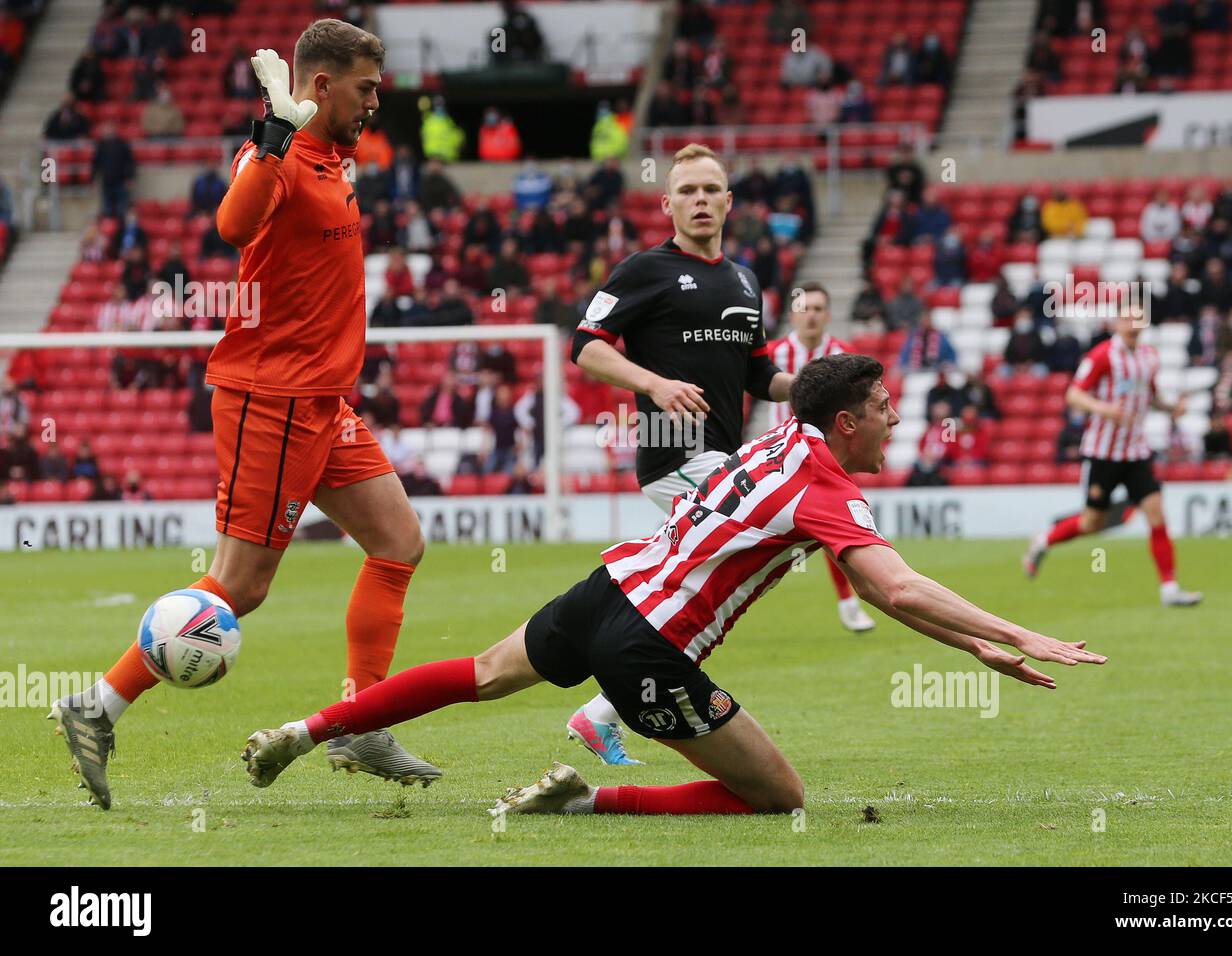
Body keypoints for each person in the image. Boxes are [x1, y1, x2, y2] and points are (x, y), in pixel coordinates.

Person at [242, 354, 1108, 815]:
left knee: (478, 674)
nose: (895, 419)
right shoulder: (827, 488)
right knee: (778, 798)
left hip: (608, 586)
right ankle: (585, 803)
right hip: (649, 645)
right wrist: (1019, 634)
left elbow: (889, 597)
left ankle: (306, 728)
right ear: (847, 422)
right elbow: (901, 588)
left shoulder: (778, 443)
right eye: (885, 407)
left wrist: (977, 649)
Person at [50, 20, 441, 813]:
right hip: (273, 398)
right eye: (365, 87)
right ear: (320, 85)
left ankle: (360, 722)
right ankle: (97, 704)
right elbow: (232, 226)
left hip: (321, 400)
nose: (375, 101)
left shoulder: (334, 153)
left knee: (399, 541)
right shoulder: (282, 153)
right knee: (239, 588)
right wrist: (271, 135)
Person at [564, 143, 796, 765]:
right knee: (755, 556)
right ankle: (603, 699)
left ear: (729, 202)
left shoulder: (745, 280)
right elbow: (585, 347)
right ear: (667, 204)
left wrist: (812, 388)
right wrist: (652, 383)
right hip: (674, 454)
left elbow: (760, 375)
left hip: (720, 454)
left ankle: (602, 704)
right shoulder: (644, 269)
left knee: (705, 592)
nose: (700, 201)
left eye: (710, 190)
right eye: (687, 191)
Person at [1022, 308, 1203, 607]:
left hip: (1136, 452)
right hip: (1104, 453)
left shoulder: (1149, 358)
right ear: (1118, 322)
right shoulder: (1102, 356)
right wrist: (1106, 410)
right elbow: (1073, 395)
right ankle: (1043, 541)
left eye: (1138, 319)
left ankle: (1169, 588)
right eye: (1128, 319)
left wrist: (1172, 409)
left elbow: (1150, 396)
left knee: (1156, 513)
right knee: (1092, 522)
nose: (1133, 325)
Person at [767, 283, 876, 633]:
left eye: (817, 308)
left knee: (840, 531)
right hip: (781, 461)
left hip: (831, 460)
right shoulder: (773, 354)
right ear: (792, 314)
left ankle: (849, 601)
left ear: (828, 315)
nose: (810, 315)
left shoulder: (844, 356)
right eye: (804, 308)